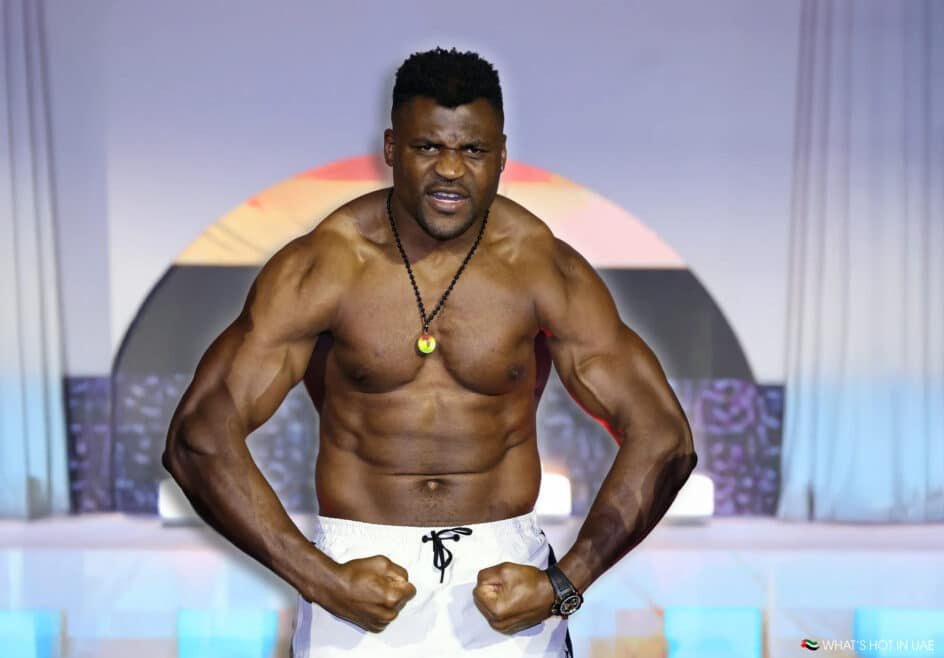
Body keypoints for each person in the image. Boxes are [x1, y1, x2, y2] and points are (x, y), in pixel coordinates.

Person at [163, 47, 696, 657]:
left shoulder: (541, 267)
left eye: (472, 150)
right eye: (427, 147)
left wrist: (563, 584)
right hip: (357, 577)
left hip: (507, 583)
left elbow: (664, 436)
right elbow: (198, 436)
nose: (450, 169)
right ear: (392, 149)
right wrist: (319, 579)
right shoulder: (326, 265)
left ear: (501, 156)